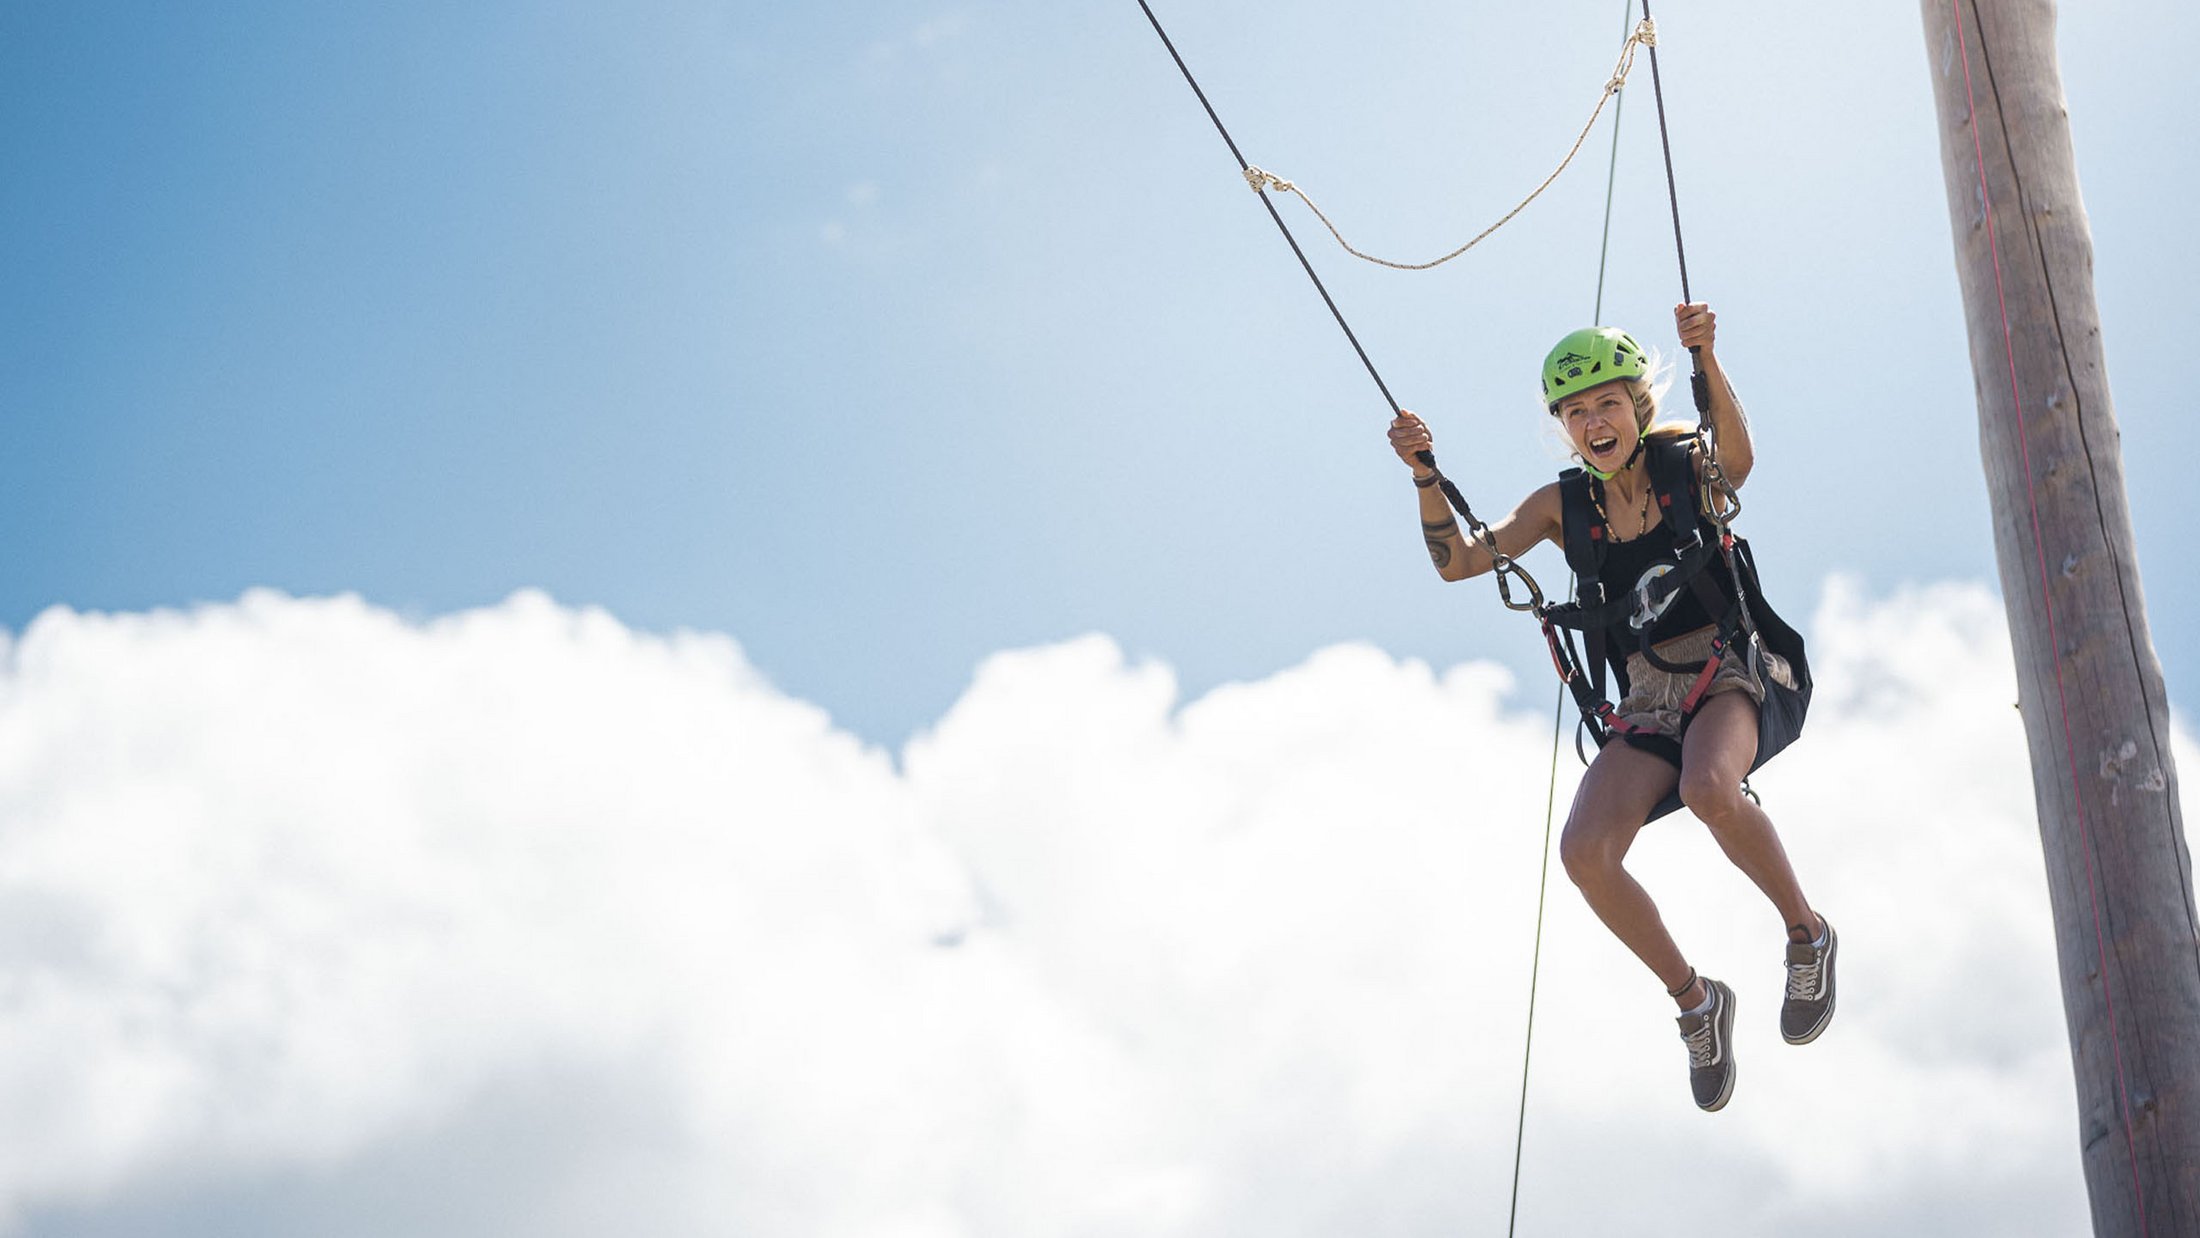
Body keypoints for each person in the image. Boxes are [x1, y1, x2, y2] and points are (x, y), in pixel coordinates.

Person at [1385, 303, 1834, 1113]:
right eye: (1576, 411)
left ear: (1640, 406)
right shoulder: (1562, 507)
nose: (1594, 422)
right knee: (1585, 852)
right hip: (1645, 697)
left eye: (1608, 403)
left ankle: (1806, 934)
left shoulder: (1683, 464)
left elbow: (1738, 457)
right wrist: (1424, 474)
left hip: (1726, 666)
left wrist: (1708, 357)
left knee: (1710, 791)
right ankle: (1697, 1003)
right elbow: (1458, 560)